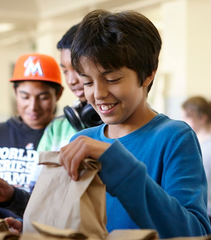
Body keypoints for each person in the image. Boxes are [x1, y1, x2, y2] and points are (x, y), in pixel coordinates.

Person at [5, 10, 211, 237]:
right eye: (87, 82)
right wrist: (34, 232)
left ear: (148, 75)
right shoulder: (82, 140)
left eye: (112, 79)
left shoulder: (174, 137)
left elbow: (193, 232)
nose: (98, 94)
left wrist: (118, 165)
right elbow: (76, 226)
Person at [3, 23, 102, 221]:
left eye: (78, 69)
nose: (72, 80)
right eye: (65, 70)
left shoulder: (119, 127)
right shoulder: (55, 130)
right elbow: (40, 197)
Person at [0, 53, 63, 218]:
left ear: (58, 94)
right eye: (25, 96)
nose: (33, 106)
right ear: (15, 92)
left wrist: (13, 196)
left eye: (43, 97)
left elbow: (62, 203)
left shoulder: (64, 138)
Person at [182, 96, 211, 222]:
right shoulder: (193, 141)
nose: (183, 121)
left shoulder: (208, 147)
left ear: (202, 118)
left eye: (187, 117)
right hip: (198, 209)